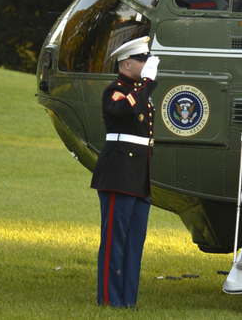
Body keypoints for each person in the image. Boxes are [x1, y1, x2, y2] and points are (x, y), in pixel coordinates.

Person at [91, 36, 160, 307]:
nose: (146, 65)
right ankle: (109, 300)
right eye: (141, 61)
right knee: (114, 242)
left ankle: (127, 302)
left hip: (139, 176)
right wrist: (148, 83)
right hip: (118, 173)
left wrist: (144, 85)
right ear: (127, 63)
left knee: (134, 244)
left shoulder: (138, 91)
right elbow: (125, 110)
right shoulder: (115, 90)